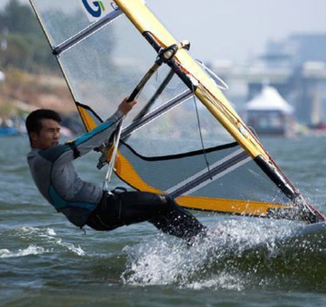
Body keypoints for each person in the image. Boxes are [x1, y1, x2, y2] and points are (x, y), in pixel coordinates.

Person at [26, 99, 207, 243]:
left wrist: (99, 145)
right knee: (164, 201)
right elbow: (90, 139)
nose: (56, 135)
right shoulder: (49, 157)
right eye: (50, 131)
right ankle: (203, 238)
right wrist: (120, 113)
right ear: (34, 135)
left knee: (155, 211)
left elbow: (81, 146)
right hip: (102, 209)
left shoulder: (39, 158)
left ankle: (193, 239)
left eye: (58, 130)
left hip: (99, 214)